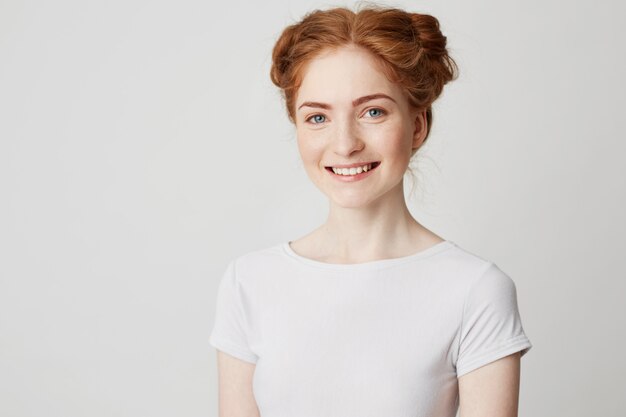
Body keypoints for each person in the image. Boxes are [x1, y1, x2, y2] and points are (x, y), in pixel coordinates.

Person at [209, 4, 532, 417]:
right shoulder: (248, 282)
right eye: (318, 117)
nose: (344, 144)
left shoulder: (476, 290)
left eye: (372, 112)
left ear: (417, 126)